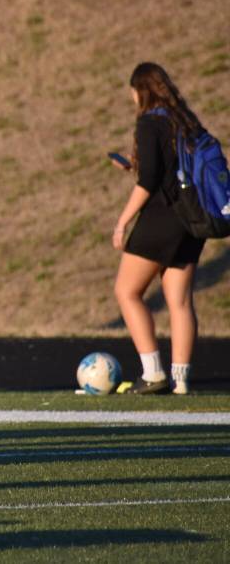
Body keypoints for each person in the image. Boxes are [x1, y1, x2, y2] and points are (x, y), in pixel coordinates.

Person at [111, 62, 206, 395]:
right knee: (180, 302)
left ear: (141, 91)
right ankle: (180, 381)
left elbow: (150, 181)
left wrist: (123, 222)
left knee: (127, 291)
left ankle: (152, 372)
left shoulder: (149, 122)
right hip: (193, 221)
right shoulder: (186, 121)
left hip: (161, 219)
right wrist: (135, 164)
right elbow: (171, 169)